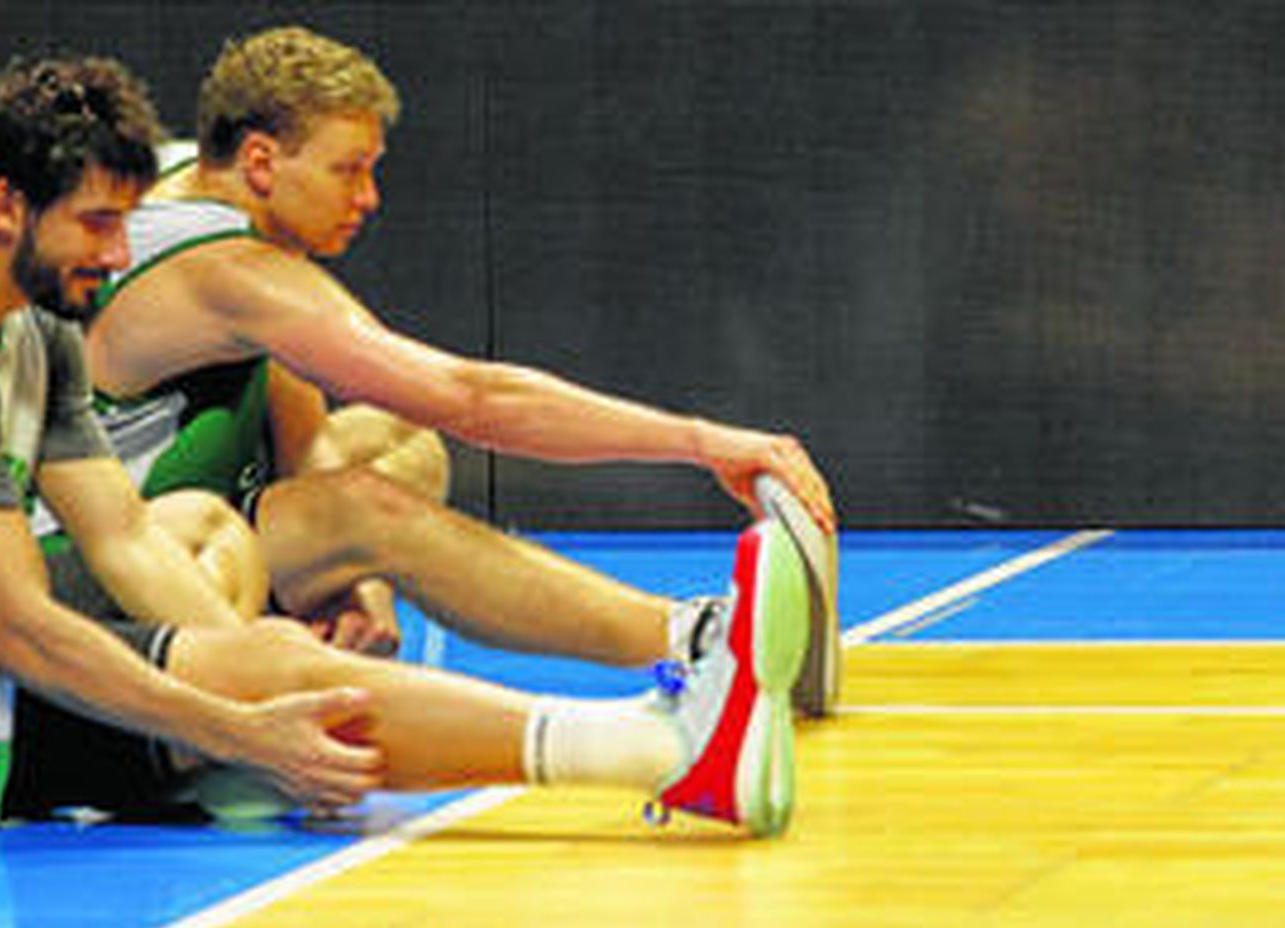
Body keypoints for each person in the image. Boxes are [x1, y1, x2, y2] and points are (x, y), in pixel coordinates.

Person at [0, 53, 813, 837]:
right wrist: (236, 721)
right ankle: (667, 749)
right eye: (99, 224)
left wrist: (236, 686)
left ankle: (217, 764)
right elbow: (21, 629)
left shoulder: (31, 320)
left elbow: (125, 540)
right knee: (250, 680)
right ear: (6, 206)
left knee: (210, 562)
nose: (121, 253)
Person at [67, 25, 842, 714]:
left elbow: (288, 398)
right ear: (263, 161)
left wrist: (358, 585)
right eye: (349, 170)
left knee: (395, 445)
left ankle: (297, 616)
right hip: (114, 561)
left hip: (156, 505)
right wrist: (704, 442)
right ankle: (701, 639)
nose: (369, 197)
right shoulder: (227, 270)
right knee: (370, 505)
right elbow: (471, 398)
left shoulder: (185, 175)